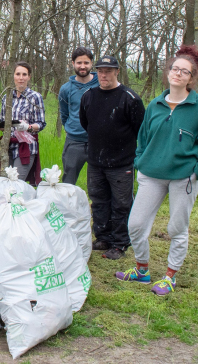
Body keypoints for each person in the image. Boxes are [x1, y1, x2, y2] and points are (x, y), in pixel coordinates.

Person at [116, 46, 198, 296]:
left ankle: (170, 276)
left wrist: (196, 171)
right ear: (168, 72)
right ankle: (142, 271)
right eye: (175, 69)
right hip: (151, 174)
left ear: (191, 78)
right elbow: (143, 139)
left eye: (185, 71)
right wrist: (140, 162)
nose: (178, 74)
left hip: (183, 177)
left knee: (176, 228)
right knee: (136, 225)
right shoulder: (156, 104)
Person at [79, 55, 145, 260]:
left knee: (121, 203)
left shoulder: (129, 98)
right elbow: (85, 123)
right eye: (100, 70)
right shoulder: (89, 96)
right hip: (96, 161)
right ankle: (103, 237)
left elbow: (140, 129)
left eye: (108, 71)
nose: (103, 74)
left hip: (121, 163)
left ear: (117, 71)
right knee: (98, 200)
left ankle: (120, 242)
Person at [0, 61, 45, 183]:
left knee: (16, 182)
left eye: (24, 74)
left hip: (26, 147)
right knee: (5, 182)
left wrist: (27, 127)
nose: (21, 78)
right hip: (8, 146)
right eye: (18, 74)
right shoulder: (7, 97)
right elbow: (3, 123)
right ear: (13, 76)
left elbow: (41, 123)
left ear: (29, 77)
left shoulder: (35, 97)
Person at [58, 47, 98, 185]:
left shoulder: (101, 84)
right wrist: (71, 127)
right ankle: (67, 206)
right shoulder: (65, 89)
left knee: (98, 182)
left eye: (86, 63)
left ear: (91, 63)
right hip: (74, 141)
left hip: (98, 142)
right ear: (73, 63)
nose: (82, 66)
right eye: (79, 63)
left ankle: (96, 206)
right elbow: (64, 113)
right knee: (68, 180)